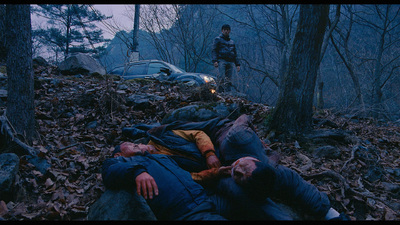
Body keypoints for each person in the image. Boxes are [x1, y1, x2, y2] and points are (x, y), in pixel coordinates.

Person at [118, 114, 350, 220]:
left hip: (220, 149)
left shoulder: (163, 135)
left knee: (275, 173)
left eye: (137, 144)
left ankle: (329, 213)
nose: (140, 148)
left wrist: (209, 154)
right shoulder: (157, 163)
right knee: (241, 191)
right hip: (219, 173)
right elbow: (189, 177)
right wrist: (215, 173)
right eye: (134, 150)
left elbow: (198, 133)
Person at [102, 149, 227, 220]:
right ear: (118, 154)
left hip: (208, 199)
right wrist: (137, 172)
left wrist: (217, 172)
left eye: (136, 144)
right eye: (131, 145)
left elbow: (189, 175)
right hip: (187, 212)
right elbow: (109, 172)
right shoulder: (121, 162)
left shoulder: (160, 157)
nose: (136, 146)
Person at [212, 24, 240, 93]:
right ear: (222, 30)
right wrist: (215, 60)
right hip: (222, 60)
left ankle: (228, 93)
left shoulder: (232, 42)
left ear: (229, 31)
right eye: (225, 30)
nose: (226, 31)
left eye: (228, 30)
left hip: (230, 61)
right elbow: (214, 50)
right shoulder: (218, 39)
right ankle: (220, 93)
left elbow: (235, 54)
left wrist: (237, 64)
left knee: (229, 79)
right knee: (221, 77)